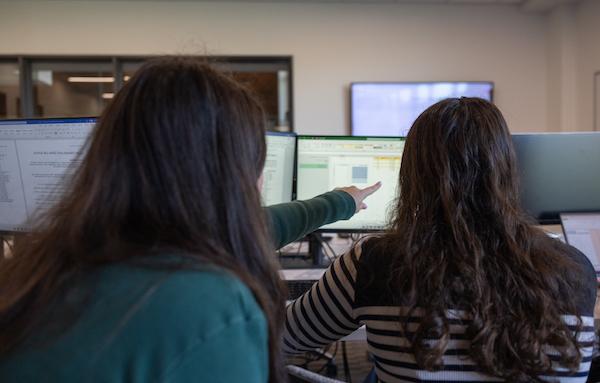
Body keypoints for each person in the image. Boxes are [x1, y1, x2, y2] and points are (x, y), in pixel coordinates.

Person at [0, 56, 380, 382]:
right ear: (237, 174)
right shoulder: (211, 306)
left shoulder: (42, 271)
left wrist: (339, 202)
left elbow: (257, 226)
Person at [283, 98, 597, 382]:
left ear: (413, 175)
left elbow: (284, 337)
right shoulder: (576, 270)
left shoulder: (373, 262)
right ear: (508, 168)